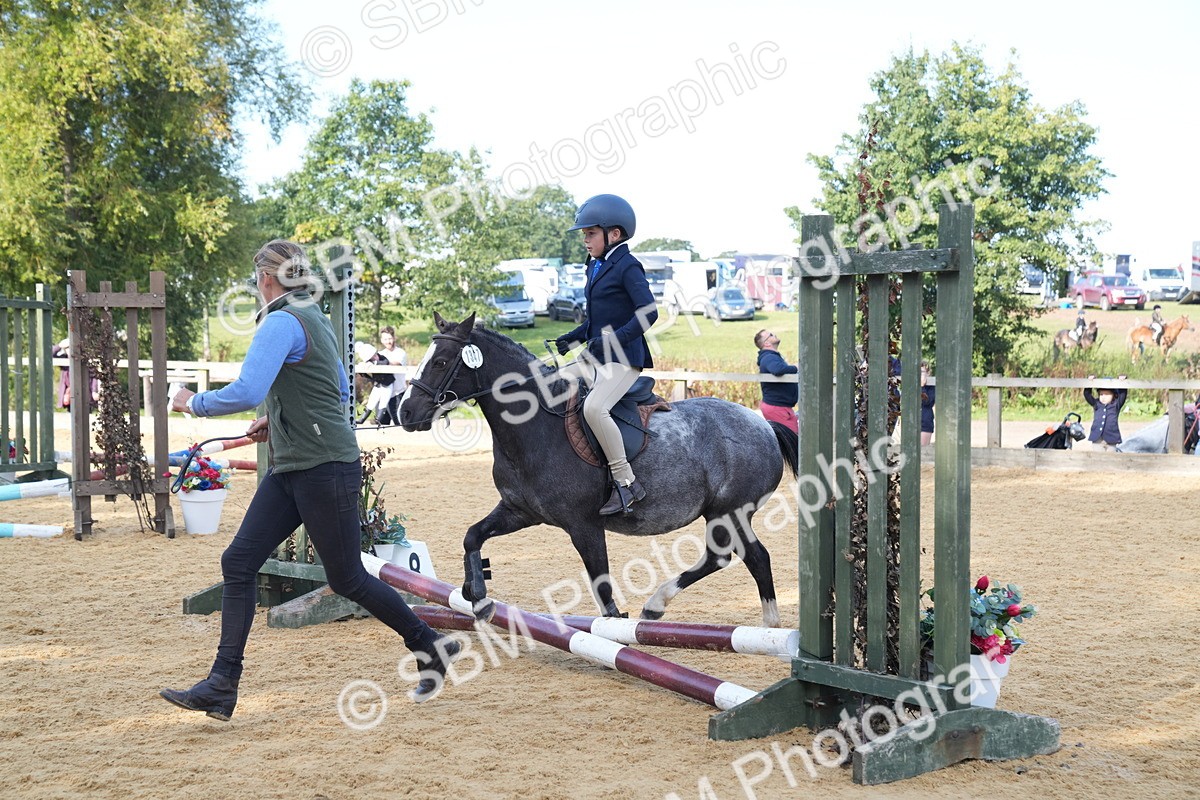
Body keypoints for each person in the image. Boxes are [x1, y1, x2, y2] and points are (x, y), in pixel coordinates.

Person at [160, 240, 460, 720]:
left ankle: (429, 643)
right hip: (297, 466)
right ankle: (221, 685)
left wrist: (189, 401)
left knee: (347, 578)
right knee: (238, 561)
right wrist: (276, 421)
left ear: (264, 279)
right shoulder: (312, 315)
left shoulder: (280, 321)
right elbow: (337, 387)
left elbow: (249, 388)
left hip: (320, 468)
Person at [555, 194, 659, 515]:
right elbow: (598, 320)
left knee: (595, 408)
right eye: (584, 234)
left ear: (613, 234)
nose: (585, 240)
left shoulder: (627, 266)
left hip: (624, 358)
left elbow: (649, 312)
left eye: (590, 233)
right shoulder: (597, 265)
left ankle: (626, 483)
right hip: (597, 355)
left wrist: (613, 340)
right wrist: (573, 337)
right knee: (553, 387)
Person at [754, 329, 797, 433]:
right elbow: (777, 369)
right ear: (767, 343)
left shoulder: (770, 357)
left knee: (791, 439)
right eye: (771, 335)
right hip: (777, 407)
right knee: (792, 440)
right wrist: (796, 367)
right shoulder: (768, 357)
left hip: (781, 406)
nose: (775, 335)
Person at [354, 341, 395, 425]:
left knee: (383, 402)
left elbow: (385, 363)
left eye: (375, 355)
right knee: (371, 402)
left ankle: (378, 420)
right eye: (372, 358)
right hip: (378, 384)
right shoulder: (368, 362)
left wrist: (374, 363)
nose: (375, 357)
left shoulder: (382, 358)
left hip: (387, 384)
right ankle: (362, 419)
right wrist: (363, 368)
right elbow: (365, 376)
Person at [1084, 375, 1128, 452]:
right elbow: (1087, 395)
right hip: (1097, 440)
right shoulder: (1096, 404)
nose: (1103, 397)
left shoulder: (1116, 405)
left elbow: (1123, 395)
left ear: (1114, 395)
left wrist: (1122, 382)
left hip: (1112, 439)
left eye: (1107, 394)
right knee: (1098, 460)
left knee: (1111, 460)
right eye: (1101, 394)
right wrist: (1090, 382)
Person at [377, 326, 408, 424]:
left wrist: (381, 362)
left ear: (394, 338)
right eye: (385, 339)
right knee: (381, 423)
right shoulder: (380, 353)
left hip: (397, 394)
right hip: (383, 393)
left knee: (399, 423)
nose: (388, 341)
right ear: (382, 340)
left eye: (390, 338)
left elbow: (397, 363)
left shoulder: (400, 353)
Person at [920, 359, 935, 446]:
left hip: (925, 422)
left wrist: (922, 386)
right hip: (911, 422)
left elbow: (928, 402)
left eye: (922, 372)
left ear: (928, 373)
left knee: (923, 450)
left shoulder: (931, 387)